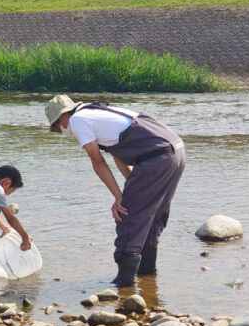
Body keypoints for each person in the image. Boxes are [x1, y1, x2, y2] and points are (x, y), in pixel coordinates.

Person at [45, 95, 185, 287]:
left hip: (157, 157)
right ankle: (147, 275)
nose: (59, 132)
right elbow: (119, 153)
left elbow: (98, 161)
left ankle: (124, 282)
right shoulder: (95, 111)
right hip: (174, 150)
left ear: (62, 118)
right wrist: (132, 189)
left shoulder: (77, 121)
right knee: (153, 214)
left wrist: (121, 198)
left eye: (55, 128)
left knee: (127, 214)